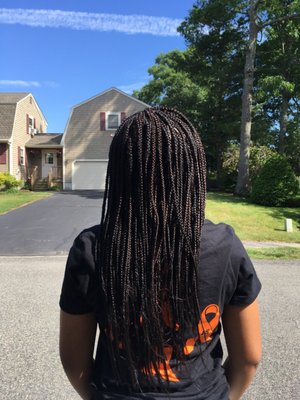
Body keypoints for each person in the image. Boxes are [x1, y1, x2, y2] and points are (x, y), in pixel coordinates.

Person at [59, 107, 262, 400]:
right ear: (192, 168)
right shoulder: (225, 246)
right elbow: (249, 358)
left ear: (119, 171)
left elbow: (73, 361)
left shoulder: (92, 247)